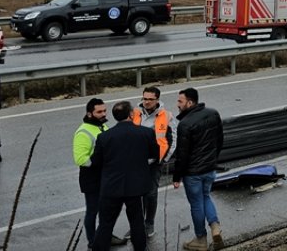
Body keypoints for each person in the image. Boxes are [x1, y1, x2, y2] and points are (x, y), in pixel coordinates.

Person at [91, 100, 159, 251]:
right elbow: (155, 154)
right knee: (137, 222)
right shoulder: (145, 133)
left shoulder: (105, 137)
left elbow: (96, 161)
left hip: (111, 187)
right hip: (135, 187)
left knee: (106, 224)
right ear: (131, 114)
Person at [173, 88, 224, 251]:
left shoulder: (185, 124)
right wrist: (213, 159)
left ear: (190, 102)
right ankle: (215, 226)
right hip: (210, 168)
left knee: (196, 204)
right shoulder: (213, 113)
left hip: (193, 173)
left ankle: (201, 240)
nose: (177, 105)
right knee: (206, 196)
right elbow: (220, 140)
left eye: (180, 101)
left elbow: (182, 154)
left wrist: (176, 176)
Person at [133, 86, 177, 239]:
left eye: (150, 99)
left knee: (150, 194)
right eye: (144, 98)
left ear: (157, 99)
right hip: (136, 162)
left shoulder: (166, 116)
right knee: (136, 194)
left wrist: (162, 160)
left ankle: (149, 223)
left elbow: (173, 141)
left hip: (154, 163)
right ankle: (137, 225)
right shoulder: (135, 113)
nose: (146, 102)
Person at [74, 98, 109, 250]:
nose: (103, 114)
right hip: (91, 178)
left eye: (104, 111)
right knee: (92, 210)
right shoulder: (83, 132)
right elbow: (81, 159)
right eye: (99, 112)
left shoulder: (102, 126)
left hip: (105, 176)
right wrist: (99, 159)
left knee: (105, 210)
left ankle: (104, 236)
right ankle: (92, 241)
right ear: (89, 114)